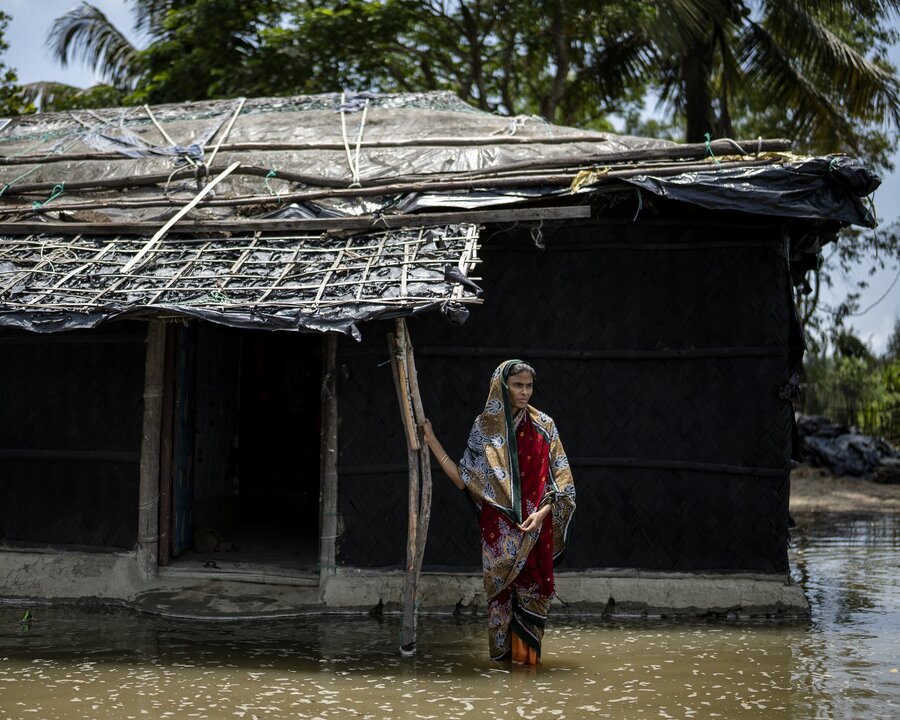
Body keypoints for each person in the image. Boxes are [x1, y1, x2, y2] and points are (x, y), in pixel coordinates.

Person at [421, 359, 576, 665]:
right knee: (501, 607)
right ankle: (510, 683)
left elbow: (563, 483)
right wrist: (431, 441)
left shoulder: (545, 426)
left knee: (533, 599)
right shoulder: (484, 428)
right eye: (518, 385)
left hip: (534, 530)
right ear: (501, 386)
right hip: (498, 535)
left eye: (529, 386)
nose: (524, 392)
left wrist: (543, 514)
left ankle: (527, 675)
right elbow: (464, 479)